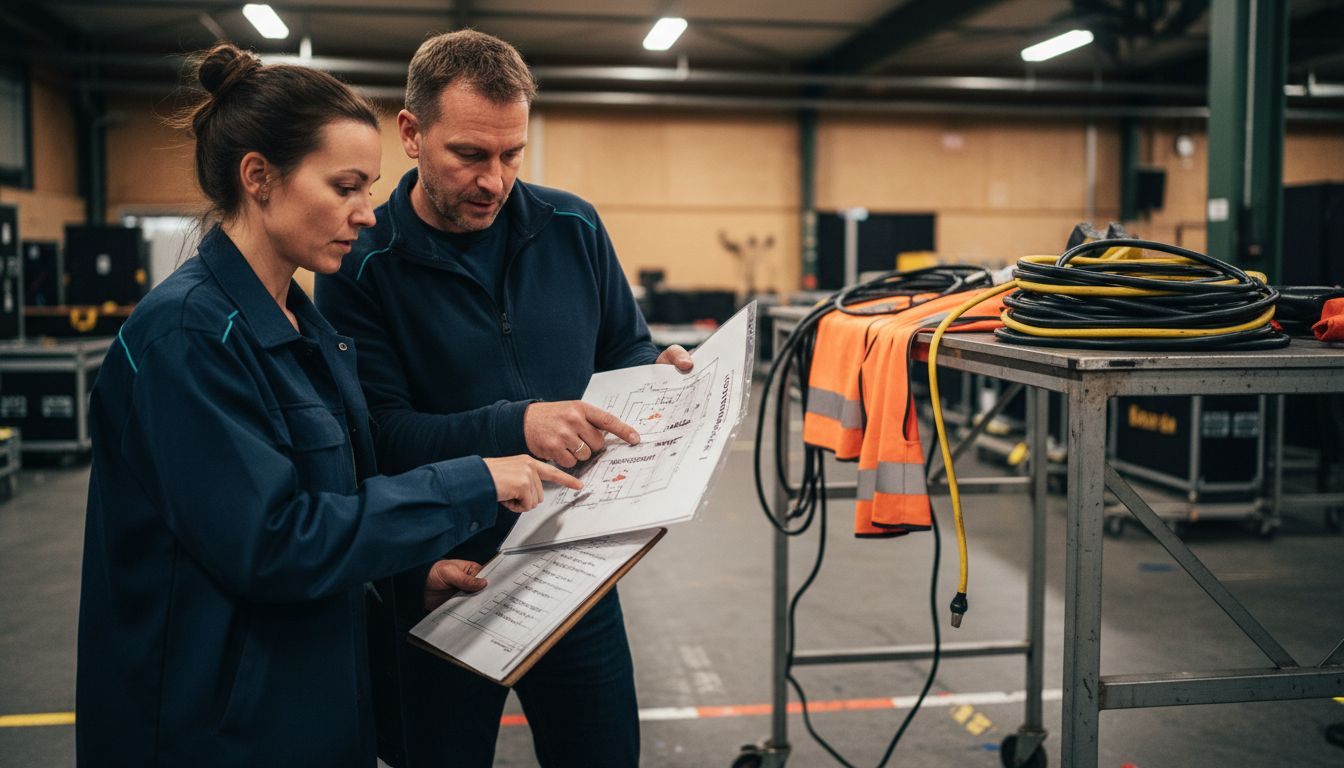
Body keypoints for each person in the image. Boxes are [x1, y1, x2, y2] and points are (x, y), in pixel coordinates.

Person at [75, 42, 579, 767]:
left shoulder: (305, 327)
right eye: (345, 187)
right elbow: (272, 541)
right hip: (211, 730)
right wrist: (473, 478)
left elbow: (333, 498)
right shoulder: (187, 338)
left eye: (370, 188)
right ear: (259, 178)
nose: (367, 214)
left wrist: (408, 576)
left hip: (304, 709)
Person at [315, 29, 693, 768]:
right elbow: (380, 436)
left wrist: (660, 374)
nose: (495, 180)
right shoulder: (361, 262)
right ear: (413, 134)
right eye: (470, 155)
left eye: (512, 155)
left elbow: (626, 346)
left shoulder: (574, 226)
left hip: (577, 571)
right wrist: (515, 425)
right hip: (439, 582)